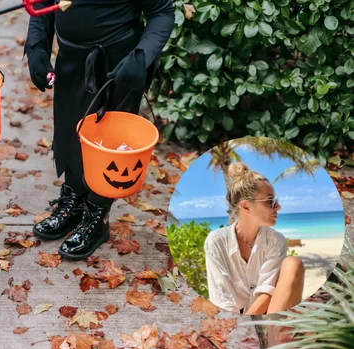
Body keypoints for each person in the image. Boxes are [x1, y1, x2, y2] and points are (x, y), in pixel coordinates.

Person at [25, 0, 174, 260]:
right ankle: (73, 200)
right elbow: (41, 4)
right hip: (71, 59)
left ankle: (97, 214)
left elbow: (162, 12)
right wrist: (37, 47)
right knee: (70, 132)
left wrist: (141, 58)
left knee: (109, 145)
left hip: (120, 64)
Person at [204, 162, 305, 315]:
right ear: (245, 207)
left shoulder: (276, 241)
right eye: (270, 201)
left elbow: (267, 291)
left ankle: (272, 336)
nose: (278, 207)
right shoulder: (216, 242)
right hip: (232, 319)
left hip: (269, 315)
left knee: (293, 263)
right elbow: (222, 299)